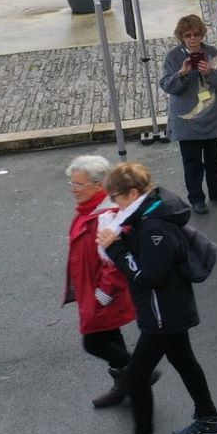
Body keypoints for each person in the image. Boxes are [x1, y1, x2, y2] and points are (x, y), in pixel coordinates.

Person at [97, 162, 217, 434]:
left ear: (133, 192)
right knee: (184, 361)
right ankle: (209, 420)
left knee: (137, 377)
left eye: (117, 198)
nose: (115, 205)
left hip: (161, 313)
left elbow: (148, 276)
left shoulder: (153, 226)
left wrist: (115, 249)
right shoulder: (152, 212)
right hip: (171, 309)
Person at [63, 155, 139, 409]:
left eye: (79, 185)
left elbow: (115, 262)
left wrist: (103, 293)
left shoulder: (105, 216)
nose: (73, 190)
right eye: (72, 184)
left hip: (102, 292)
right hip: (93, 289)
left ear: (99, 185)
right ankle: (125, 383)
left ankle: (137, 374)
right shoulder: (89, 211)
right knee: (109, 335)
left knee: (93, 341)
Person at [160, 13, 217, 215]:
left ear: (202, 34)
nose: (192, 39)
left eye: (196, 34)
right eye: (187, 35)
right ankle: (196, 198)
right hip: (187, 120)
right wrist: (181, 74)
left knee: (214, 158)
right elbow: (167, 85)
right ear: (181, 37)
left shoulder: (212, 53)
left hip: (212, 115)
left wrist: (210, 72)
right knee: (192, 162)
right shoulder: (173, 57)